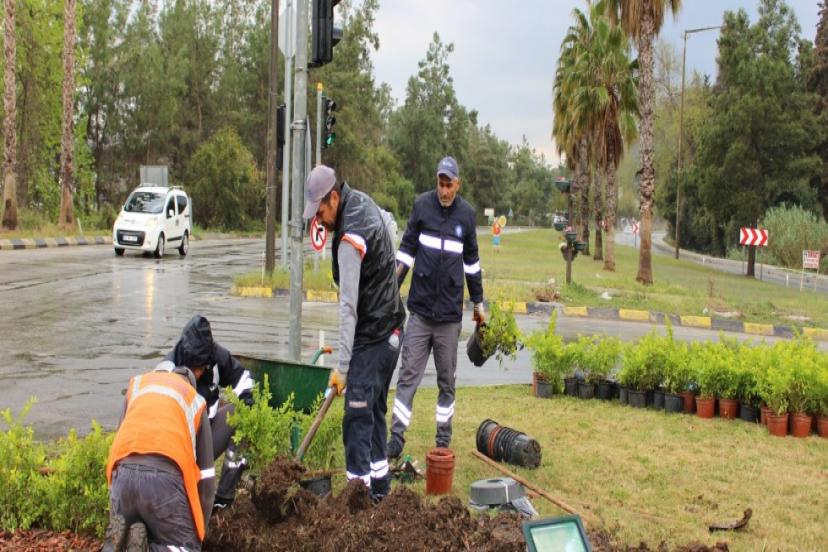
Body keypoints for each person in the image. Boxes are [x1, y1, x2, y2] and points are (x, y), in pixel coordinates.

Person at [303, 165, 406, 501]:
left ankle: (357, 505)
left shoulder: (350, 237)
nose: (319, 220)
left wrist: (343, 368)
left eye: (321, 211)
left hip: (375, 334)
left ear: (334, 197)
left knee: (357, 417)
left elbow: (348, 307)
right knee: (374, 411)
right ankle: (379, 494)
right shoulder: (360, 202)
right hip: (389, 328)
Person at [389, 156, 485, 459]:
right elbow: (406, 251)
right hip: (419, 312)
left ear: (458, 184)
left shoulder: (467, 216)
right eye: (440, 184)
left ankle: (442, 441)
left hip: (448, 318)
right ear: (436, 183)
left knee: (447, 382)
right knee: (408, 377)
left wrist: (479, 304)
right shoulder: (422, 206)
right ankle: (395, 438)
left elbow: (472, 264)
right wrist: (391, 287)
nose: (444, 191)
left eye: (449, 185)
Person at [103, 362, 215, 551]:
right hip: (163, 482)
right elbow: (206, 477)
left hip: (122, 477)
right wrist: (198, 534)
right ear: (190, 382)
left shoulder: (137, 386)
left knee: (128, 536)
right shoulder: (194, 399)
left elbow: (119, 446)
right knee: (186, 547)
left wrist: (115, 503)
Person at [164, 315, 255, 509]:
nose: (198, 373)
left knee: (243, 415)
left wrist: (247, 399)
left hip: (208, 432)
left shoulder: (213, 354)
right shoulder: (167, 370)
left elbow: (243, 378)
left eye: (202, 367)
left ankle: (223, 498)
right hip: (177, 447)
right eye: (194, 368)